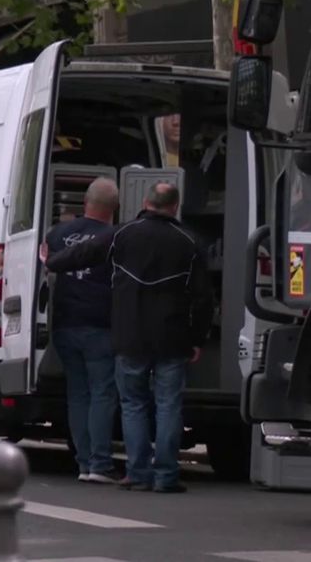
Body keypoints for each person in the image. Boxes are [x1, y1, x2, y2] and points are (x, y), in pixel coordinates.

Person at [44, 183, 214, 493]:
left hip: (129, 336)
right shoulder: (190, 242)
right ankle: (165, 475)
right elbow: (203, 298)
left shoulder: (122, 234)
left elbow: (83, 254)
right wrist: (197, 338)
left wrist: (50, 261)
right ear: (174, 207)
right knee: (168, 405)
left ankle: (137, 473)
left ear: (146, 202)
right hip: (172, 338)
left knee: (132, 404)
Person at [39, 177, 120, 484]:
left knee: (78, 393)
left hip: (64, 323)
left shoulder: (58, 233)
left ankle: (84, 462)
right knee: (102, 392)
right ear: (114, 208)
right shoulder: (115, 238)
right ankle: (99, 463)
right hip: (100, 324)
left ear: (85, 202)